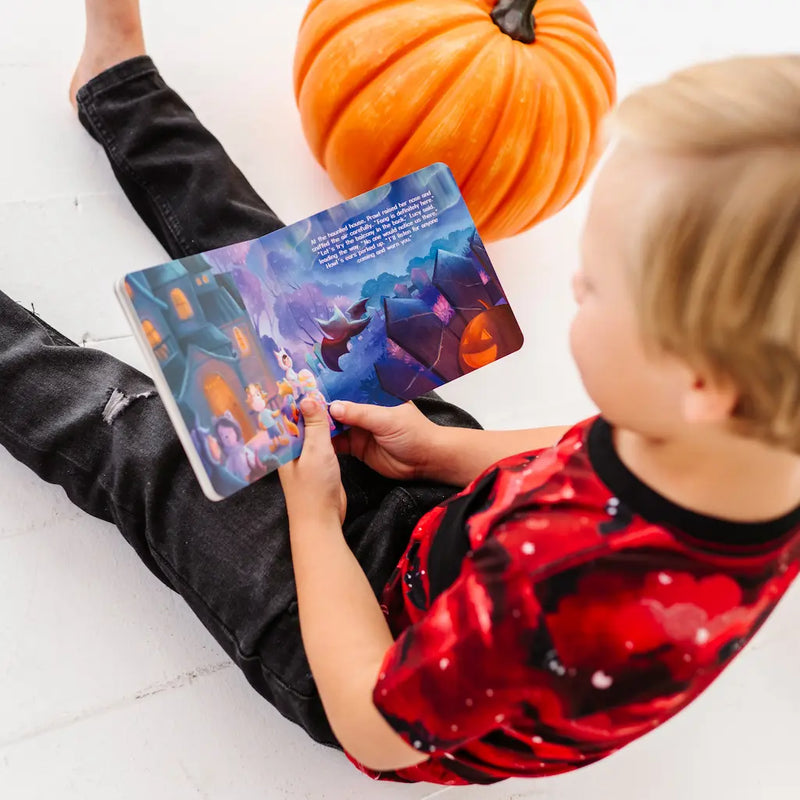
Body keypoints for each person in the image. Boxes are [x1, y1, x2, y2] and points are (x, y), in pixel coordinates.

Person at [2, 0, 798, 786]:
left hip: (363, 649)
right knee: (279, 286)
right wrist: (440, 450)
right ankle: (122, 89)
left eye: (594, 290)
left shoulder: (556, 590)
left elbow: (376, 726)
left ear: (701, 383)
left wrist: (315, 517)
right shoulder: (736, 442)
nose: (574, 289)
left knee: (135, 438)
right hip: (454, 514)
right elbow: (577, 451)